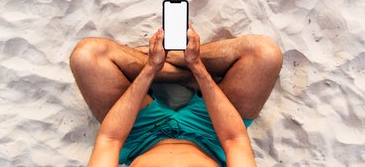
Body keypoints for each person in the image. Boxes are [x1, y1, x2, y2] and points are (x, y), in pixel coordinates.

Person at [69, 24, 283, 167]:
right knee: (264, 54)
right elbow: (234, 139)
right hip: (213, 135)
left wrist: (151, 69)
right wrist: (197, 67)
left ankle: (165, 69)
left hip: (139, 136)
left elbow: (111, 139)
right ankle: (183, 66)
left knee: (87, 56)